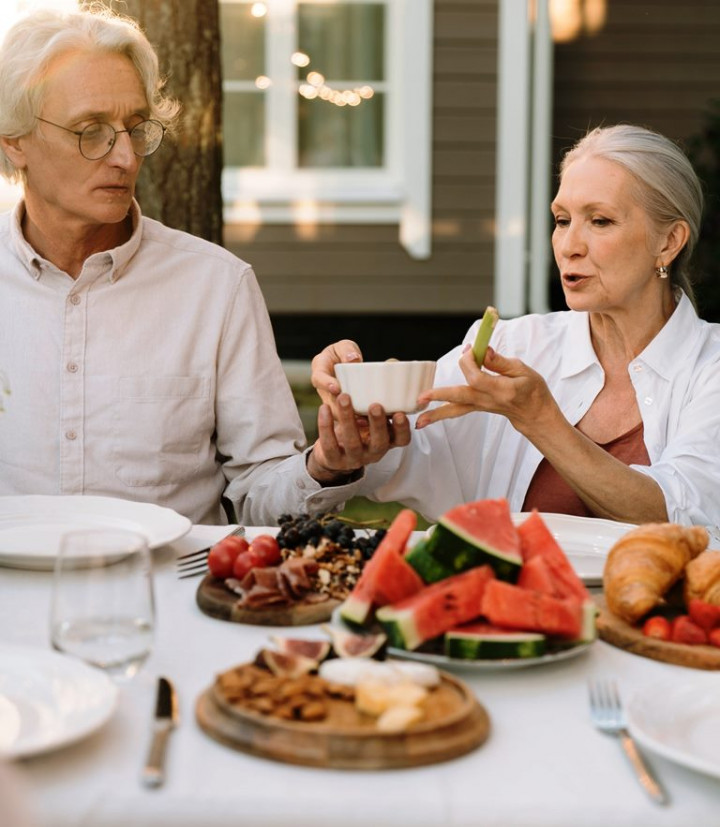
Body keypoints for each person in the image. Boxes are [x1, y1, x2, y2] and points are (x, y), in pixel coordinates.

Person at [0, 5, 360, 525]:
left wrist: (325, 466)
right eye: (91, 130)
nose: (124, 157)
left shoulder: (216, 287)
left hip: (170, 597)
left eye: (135, 128)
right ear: (15, 141)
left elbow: (259, 490)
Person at [309, 124, 720, 533]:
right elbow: (408, 450)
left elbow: (684, 518)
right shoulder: (513, 345)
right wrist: (356, 419)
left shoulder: (711, 368)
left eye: (599, 221)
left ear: (668, 242)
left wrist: (541, 420)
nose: (568, 245)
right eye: (561, 220)